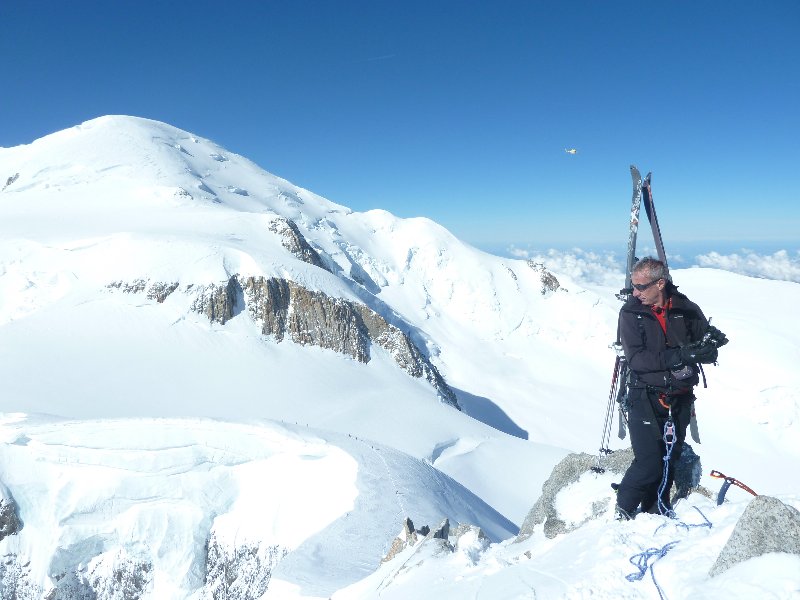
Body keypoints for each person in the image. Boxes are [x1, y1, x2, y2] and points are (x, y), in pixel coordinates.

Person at [614, 257, 727, 519]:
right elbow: (637, 360)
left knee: (670, 456)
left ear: (660, 283)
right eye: (634, 286)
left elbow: (702, 343)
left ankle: (656, 510)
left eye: (641, 286)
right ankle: (624, 510)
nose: (635, 292)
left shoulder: (686, 309)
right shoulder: (631, 313)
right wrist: (680, 356)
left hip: (680, 396)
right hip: (644, 395)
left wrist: (710, 345)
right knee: (649, 461)